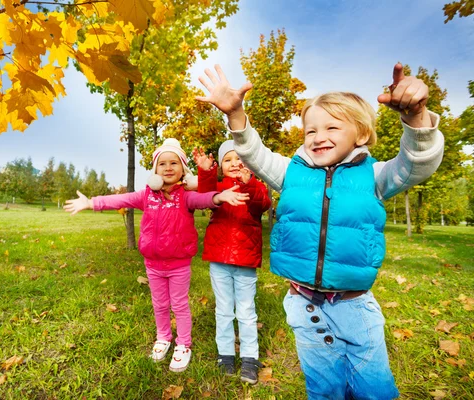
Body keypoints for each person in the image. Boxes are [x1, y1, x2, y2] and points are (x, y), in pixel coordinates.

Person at [196, 64, 444, 398]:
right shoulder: (291, 173)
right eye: (310, 130)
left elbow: (417, 163)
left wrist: (416, 119)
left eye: (331, 127)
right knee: (323, 390)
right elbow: (254, 154)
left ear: (360, 134)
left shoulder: (375, 176)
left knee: (376, 391)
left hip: (355, 307)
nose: (318, 136)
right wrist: (237, 115)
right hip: (305, 306)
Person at [64, 138, 249, 373]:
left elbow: (203, 198)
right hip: (152, 265)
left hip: (179, 265)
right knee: (160, 304)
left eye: (174, 163)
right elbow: (120, 200)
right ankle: (163, 337)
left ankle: (183, 344)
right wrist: (91, 202)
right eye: (163, 164)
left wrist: (218, 197)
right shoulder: (146, 196)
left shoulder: (185, 197)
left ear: (183, 169)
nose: (168, 167)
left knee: (179, 305)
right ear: (155, 170)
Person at [192, 141, 271, 384]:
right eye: (228, 160)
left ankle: (249, 357)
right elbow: (205, 195)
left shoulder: (256, 186)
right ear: (221, 167)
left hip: (245, 259)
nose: (235, 163)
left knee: (246, 311)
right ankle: (225, 354)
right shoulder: (218, 186)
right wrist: (205, 171)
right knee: (224, 310)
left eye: (240, 158)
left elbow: (262, 205)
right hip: (219, 259)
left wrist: (250, 183)